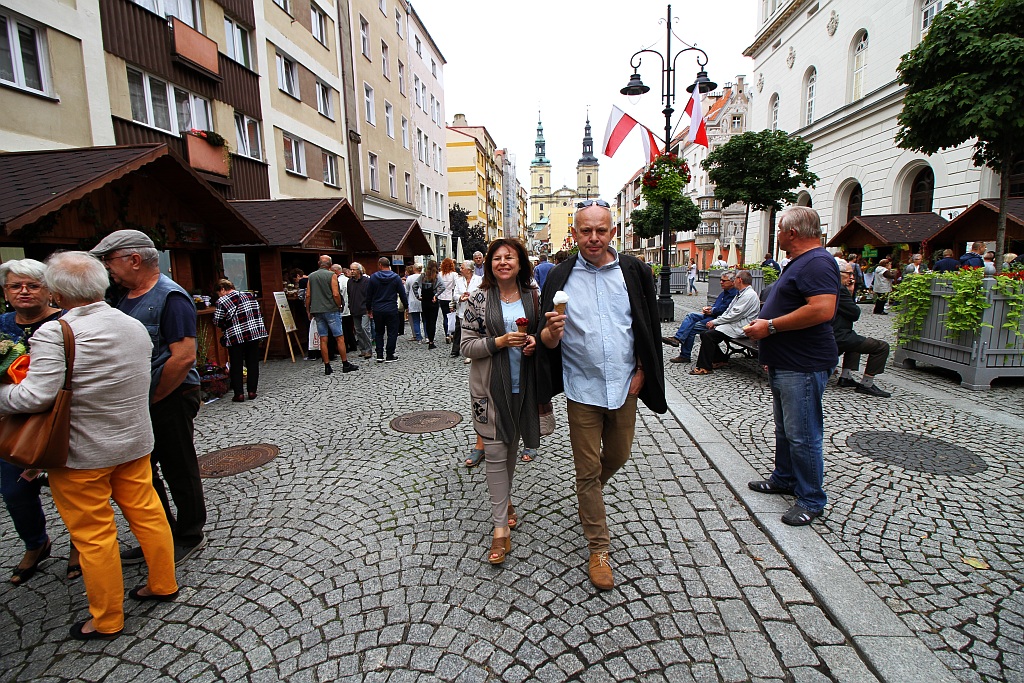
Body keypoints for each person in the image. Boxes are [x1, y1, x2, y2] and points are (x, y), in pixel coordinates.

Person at [0, 251, 177, 640]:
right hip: (133, 440)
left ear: (57, 292)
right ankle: (163, 583)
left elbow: (34, 398)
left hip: (83, 452)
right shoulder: (130, 324)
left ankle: (107, 618)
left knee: (94, 534)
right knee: (148, 513)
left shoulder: (56, 332)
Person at [537, 199, 667, 590]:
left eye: (601, 230)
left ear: (613, 232)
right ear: (574, 234)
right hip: (582, 387)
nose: (593, 237)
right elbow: (544, 338)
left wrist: (644, 369)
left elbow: (646, 325)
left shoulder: (635, 271)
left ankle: (586, 491)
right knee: (588, 469)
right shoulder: (559, 276)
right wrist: (551, 334)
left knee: (620, 455)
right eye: (585, 231)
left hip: (625, 383)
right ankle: (599, 548)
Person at [91, 229, 207, 564]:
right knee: (141, 474)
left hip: (168, 395)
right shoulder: (120, 298)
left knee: (178, 466)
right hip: (136, 400)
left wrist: (151, 398)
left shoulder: (170, 297)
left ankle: (188, 534)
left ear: (134, 259)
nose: (108, 268)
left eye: (110, 260)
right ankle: (159, 533)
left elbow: (183, 357)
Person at [744, 207, 840, 527]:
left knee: (803, 435)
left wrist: (769, 327)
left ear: (793, 233)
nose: (779, 234)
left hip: (804, 363)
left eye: (781, 228)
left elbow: (822, 310)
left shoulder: (817, 262)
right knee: (786, 430)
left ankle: (811, 498)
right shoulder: (802, 262)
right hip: (788, 361)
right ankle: (784, 477)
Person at [0, 259, 80, 585]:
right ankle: (36, 543)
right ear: (5, 291)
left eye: (33, 285)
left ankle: (80, 543)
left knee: (72, 488)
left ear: (49, 290)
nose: (24, 291)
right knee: (15, 492)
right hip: (13, 424)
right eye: (16, 285)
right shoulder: (3, 326)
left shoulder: (67, 323)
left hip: (62, 420)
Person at [461, 239, 540, 565]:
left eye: (510, 257)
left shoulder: (532, 297)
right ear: (489, 264)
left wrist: (534, 339)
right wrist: (500, 341)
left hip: (524, 389)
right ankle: (499, 531)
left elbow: (541, 334)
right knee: (494, 452)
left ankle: (505, 502)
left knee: (509, 448)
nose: (503, 262)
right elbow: (466, 347)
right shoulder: (478, 299)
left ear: (520, 263)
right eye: (497, 257)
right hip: (489, 390)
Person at [834, 264, 892, 398]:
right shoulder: (840, 290)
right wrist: (849, 291)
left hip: (833, 334)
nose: (852, 277)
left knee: (855, 341)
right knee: (882, 347)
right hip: (838, 336)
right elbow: (854, 313)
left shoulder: (828, 287)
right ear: (840, 274)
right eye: (849, 274)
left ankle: (846, 376)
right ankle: (867, 383)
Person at [689, 270, 761, 375]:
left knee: (709, 336)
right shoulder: (741, 293)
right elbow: (729, 311)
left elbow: (734, 315)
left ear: (739, 280)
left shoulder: (748, 295)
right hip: (735, 324)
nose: (733, 281)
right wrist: (717, 322)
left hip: (741, 327)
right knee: (705, 333)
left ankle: (704, 367)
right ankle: (720, 359)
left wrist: (715, 322)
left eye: (735, 278)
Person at [662, 270, 737, 363]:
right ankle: (677, 339)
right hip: (712, 314)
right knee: (691, 315)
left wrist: (711, 310)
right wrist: (709, 308)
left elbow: (725, 310)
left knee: (691, 328)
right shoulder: (725, 292)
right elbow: (717, 306)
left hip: (717, 319)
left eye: (724, 281)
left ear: (733, 282)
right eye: (721, 280)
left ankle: (684, 354)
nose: (721, 282)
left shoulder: (733, 294)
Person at [213, 278, 267, 402]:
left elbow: (217, 320)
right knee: (252, 363)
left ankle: (239, 394)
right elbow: (257, 313)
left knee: (236, 364)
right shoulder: (249, 295)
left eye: (218, 292)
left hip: (235, 336)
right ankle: (252, 391)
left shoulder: (222, 300)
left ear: (222, 289)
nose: (219, 295)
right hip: (253, 333)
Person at [306, 256, 358, 376]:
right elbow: (335, 293)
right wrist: (339, 305)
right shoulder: (332, 275)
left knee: (323, 338)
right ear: (330, 265)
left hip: (317, 310)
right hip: (331, 309)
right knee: (339, 337)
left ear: (319, 264)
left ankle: (327, 366)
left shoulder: (311, 276)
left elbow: (308, 295)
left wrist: (308, 310)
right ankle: (345, 364)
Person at [366, 257, 408, 363]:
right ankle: (390, 354)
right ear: (389, 265)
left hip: (378, 309)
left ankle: (379, 354)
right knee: (392, 332)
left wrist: (368, 308)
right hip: (391, 308)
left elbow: (369, 295)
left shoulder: (373, 277)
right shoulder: (396, 278)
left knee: (379, 332)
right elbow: (402, 294)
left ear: (380, 265)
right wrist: (407, 307)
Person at [450, 260, 480, 362]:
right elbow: (454, 294)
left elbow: (482, 293)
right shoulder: (459, 281)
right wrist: (460, 297)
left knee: (474, 331)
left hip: (475, 310)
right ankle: (466, 350)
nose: (460, 270)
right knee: (464, 331)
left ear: (469, 270)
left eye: (462, 268)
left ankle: (472, 353)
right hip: (462, 310)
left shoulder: (479, 280)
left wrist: (470, 297)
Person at [417, 260, 445, 350]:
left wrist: (417, 296)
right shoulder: (437, 276)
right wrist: (436, 295)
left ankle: (428, 338)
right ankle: (431, 342)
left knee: (427, 321)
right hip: (433, 301)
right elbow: (443, 287)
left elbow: (415, 285)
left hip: (424, 301)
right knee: (432, 322)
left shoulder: (423, 276)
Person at [347, 263, 373, 359]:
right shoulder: (350, 282)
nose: (352, 271)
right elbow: (349, 294)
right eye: (351, 269)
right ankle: (362, 349)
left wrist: (370, 308)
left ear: (359, 270)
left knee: (365, 328)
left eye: (354, 270)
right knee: (358, 330)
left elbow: (370, 295)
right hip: (354, 309)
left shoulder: (367, 281)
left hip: (364, 309)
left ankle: (368, 350)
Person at [438, 257, 458, 342]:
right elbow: (457, 285)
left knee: (445, 316)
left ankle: (447, 334)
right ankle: (452, 334)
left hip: (442, 298)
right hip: (451, 297)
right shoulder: (454, 274)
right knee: (452, 316)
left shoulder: (440, 274)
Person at [404, 264, 423, 342]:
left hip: (413, 300)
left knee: (415, 320)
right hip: (423, 300)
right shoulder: (424, 276)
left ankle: (418, 336)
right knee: (425, 320)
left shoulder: (410, 278)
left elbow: (406, 291)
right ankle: (427, 336)